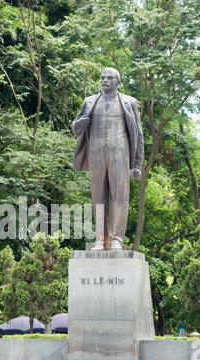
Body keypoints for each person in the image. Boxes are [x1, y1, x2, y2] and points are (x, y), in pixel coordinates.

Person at [72, 67, 144, 250]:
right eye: (102, 78)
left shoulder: (130, 102)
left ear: (118, 81)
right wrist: (77, 125)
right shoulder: (89, 101)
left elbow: (138, 135)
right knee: (98, 197)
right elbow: (75, 127)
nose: (105, 81)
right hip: (96, 154)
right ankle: (101, 239)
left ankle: (117, 239)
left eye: (109, 78)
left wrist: (137, 165)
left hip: (120, 153)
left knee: (120, 196)